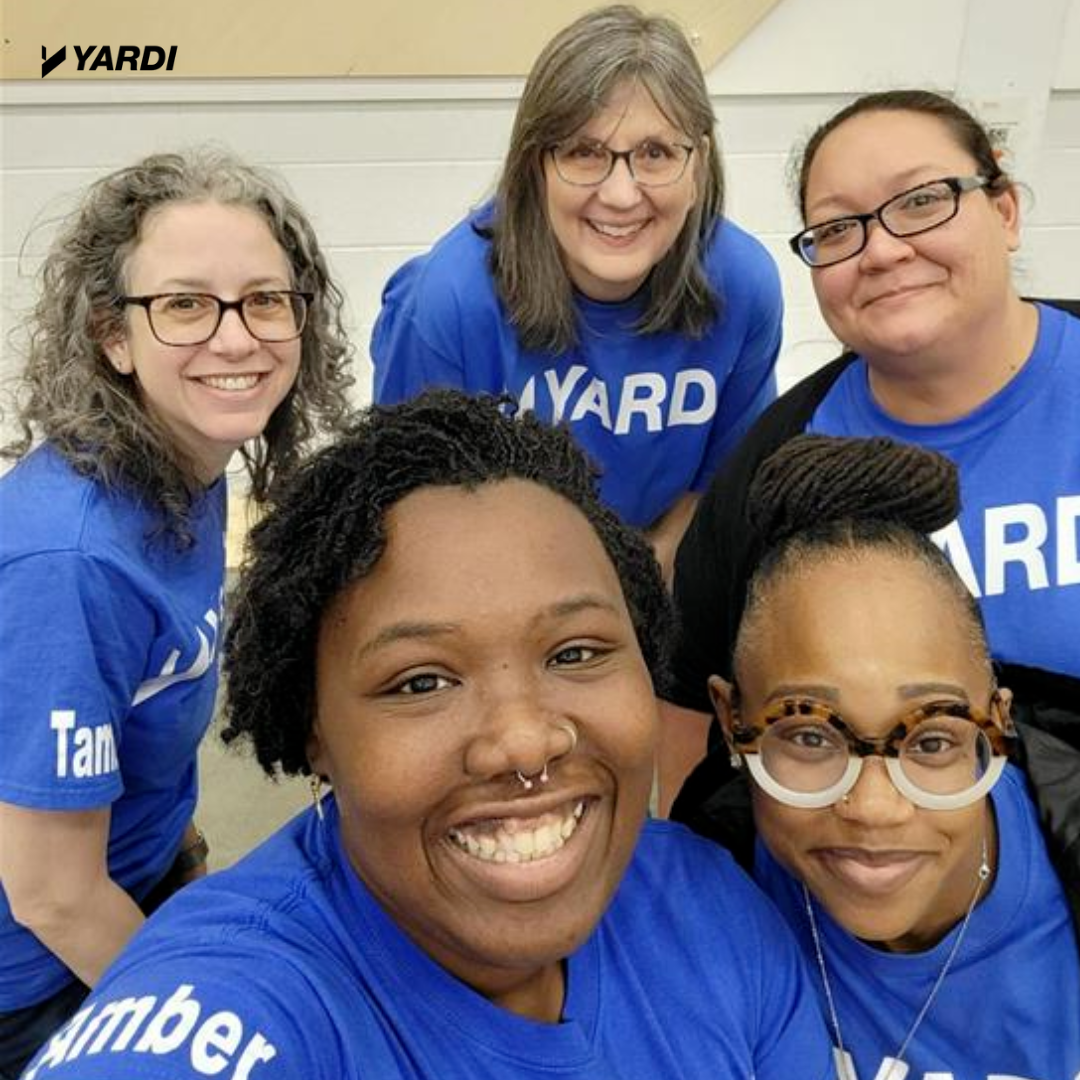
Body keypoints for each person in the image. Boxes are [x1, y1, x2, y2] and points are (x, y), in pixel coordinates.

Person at [21, 391, 833, 1080]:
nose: (523, 742)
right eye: (421, 682)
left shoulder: (710, 911)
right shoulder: (231, 1007)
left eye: (576, 652)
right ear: (316, 733)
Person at [0, 148, 355, 1077]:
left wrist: (177, 850)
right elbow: (50, 892)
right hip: (32, 978)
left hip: (140, 875)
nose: (235, 338)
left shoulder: (182, 467)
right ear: (114, 337)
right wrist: (189, 1005)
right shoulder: (73, 562)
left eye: (264, 299)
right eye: (185, 304)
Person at [658, 88, 1080, 813]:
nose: (882, 249)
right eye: (838, 228)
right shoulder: (772, 475)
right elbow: (689, 717)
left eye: (920, 200)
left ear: (1004, 210)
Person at [677, 434, 1080, 1079]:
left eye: (930, 740)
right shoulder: (695, 899)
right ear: (732, 723)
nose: (872, 808)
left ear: (996, 724)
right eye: (809, 735)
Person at [371, 4, 782, 583]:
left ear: (699, 165)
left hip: (654, 576)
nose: (620, 194)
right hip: (493, 583)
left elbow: (720, 486)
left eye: (656, 153)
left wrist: (640, 585)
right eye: (584, 153)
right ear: (536, 165)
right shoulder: (448, 301)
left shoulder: (743, 284)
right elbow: (413, 522)